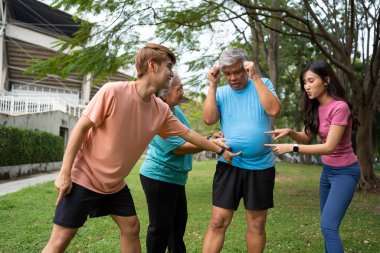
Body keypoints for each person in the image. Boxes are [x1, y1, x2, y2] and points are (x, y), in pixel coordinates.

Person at [42, 43, 241, 253]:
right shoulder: (113, 92)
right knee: (62, 237)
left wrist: (219, 149)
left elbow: (189, 135)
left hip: (114, 185)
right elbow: (80, 129)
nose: (171, 73)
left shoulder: (160, 109)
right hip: (85, 177)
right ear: (152, 65)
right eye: (168, 67)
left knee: (131, 227)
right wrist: (65, 173)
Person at [265, 60, 360, 253]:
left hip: (346, 173)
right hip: (327, 173)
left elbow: (329, 147)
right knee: (328, 228)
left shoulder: (340, 107)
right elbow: (306, 138)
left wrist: (292, 147)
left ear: (326, 80)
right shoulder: (315, 107)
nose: (306, 87)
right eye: (304, 83)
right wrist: (291, 132)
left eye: (310, 81)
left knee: (328, 226)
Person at [202, 48, 281, 253]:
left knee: (256, 224)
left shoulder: (262, 83)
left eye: (237, 71)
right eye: (227, 73)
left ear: (246, 68)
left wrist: (255, 77)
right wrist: (212, 85)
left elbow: (274, 110)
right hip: (229, 164)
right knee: (218, 221)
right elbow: (209, 119)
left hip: (261, 165)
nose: (233, 77)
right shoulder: (220, 92)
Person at [140, 74, 226, 253]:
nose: (182, 92)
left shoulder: (175, 111)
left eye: (182, 88)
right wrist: (211, 144)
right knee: (160, 229)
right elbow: (180, 148)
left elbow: (189, 135)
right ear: (164, 94)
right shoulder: (156, 114)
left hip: (175, 178)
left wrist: (209, 138)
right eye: (177, 89)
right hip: (159, 177)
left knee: (177, 227)